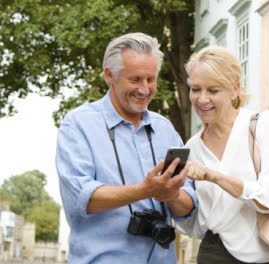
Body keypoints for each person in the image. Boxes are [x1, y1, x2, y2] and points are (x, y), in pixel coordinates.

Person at [56, 32, 197, 264]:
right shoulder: (78, 124)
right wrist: (146, 189)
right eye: (135, 79)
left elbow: (187, 208)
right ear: (109, 75)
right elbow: (82, 198)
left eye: (151, 79)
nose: (145, 89)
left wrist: (171, 194)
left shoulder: (166, 129)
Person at [178, 46, 269, 264]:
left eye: (213, 91)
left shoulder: (263, 126)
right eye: (195, 89)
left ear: (235, 89)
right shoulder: (192, 147)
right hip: (217, 252)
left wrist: (214, 176)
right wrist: (170, 195)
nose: (202, 99)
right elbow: (195, 225)